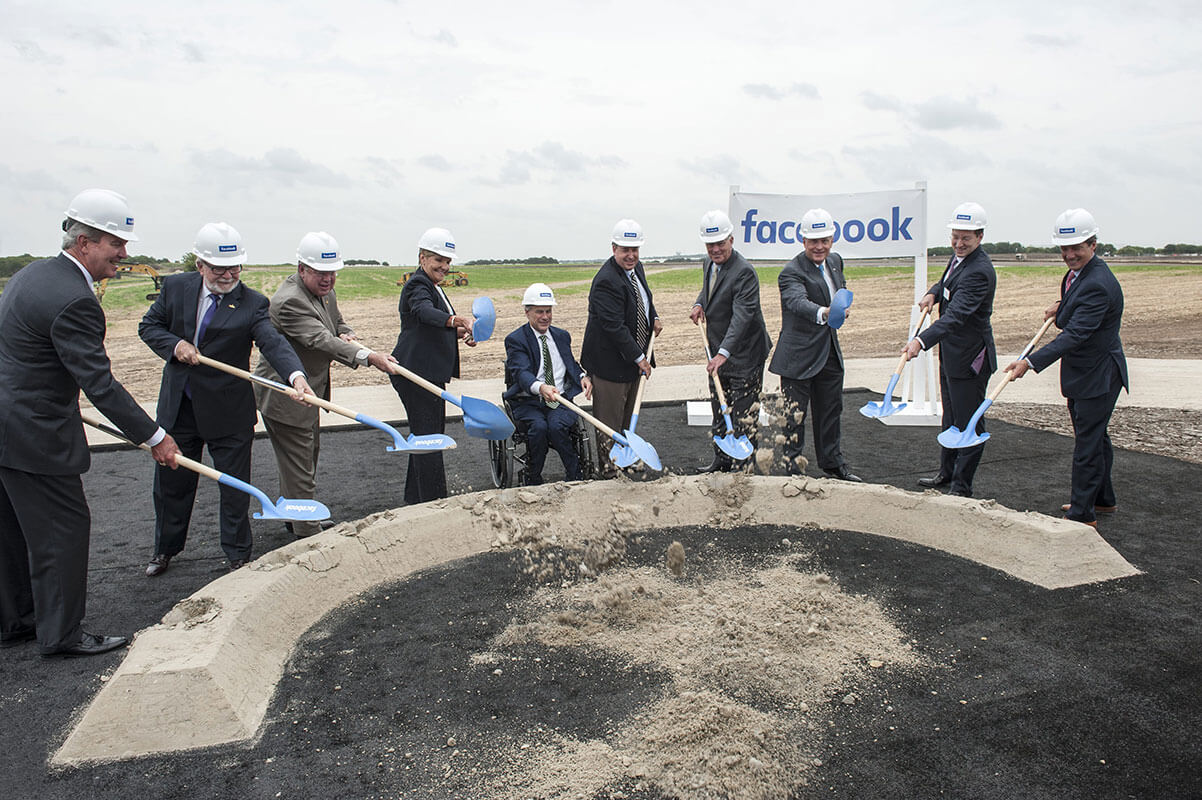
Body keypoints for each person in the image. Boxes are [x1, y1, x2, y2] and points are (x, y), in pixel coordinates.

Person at [0, 189, 181, 657]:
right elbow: (101, 386)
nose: (124, 254)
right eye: (115, 244)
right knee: (62, 531)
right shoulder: (76, 299)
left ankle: (19, 620)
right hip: (35, 437)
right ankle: (60, 635)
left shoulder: (30, 275)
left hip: (8, 427)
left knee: (15, 531)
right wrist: (155, 437)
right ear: (84, 243)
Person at [139, 222, 311, 574]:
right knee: (172, 484)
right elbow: (149, 327)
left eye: (235, 267)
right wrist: (175, 345)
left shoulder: (252, 303)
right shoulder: (174, 288)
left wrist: (296, 377)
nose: (229, 274)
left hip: (228, 412)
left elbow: (273, 343)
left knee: (233, 487)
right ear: (200, 265)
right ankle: (165, 550)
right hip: (179, 409)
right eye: (219, 268)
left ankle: (237, 556)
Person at [254, 232, 396, 537]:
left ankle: (295, 515)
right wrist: (369, 357)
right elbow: (320, 339)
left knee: (303, 456)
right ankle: (307, 530)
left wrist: (348, 332)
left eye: (333, 272)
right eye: (321, 272)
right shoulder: (289, 301)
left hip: (310, 389)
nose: (328, 279)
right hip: (286, 393)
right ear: (302, 268)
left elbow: (336, 325)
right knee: (300, 459)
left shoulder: (324, 291)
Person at [1005, 209, 1127, 528]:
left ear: (1093, 245)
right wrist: (1061, 308)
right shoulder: (1079, 275)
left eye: (1077, 248)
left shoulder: (1098, 283)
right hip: (1087, 372)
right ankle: (1103, 499)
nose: (1070, 254)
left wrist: (1030, 362)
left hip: (1098, 374)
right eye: (1065, 248)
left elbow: (1076, 334)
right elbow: (1074, 310)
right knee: (1095, 438)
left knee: (1087, 444)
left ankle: (1082, 514)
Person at [905, 202, 997, 497]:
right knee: (950, 417)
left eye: (965, 238)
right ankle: (946, 473)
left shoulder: (979, 271)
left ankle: (961, 486)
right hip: (952, 354)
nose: (958, 243)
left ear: (979, 237)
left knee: (968, 422)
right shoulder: (959, 260)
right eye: (955, 237)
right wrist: (933, 292)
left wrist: (921, 341)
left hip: (971, 358)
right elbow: (946, 283)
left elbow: (956, 316)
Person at [767, 208, 861, 482]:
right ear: (803, 240)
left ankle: (833, 465)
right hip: (799, 356)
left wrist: (840, 310)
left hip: (829, 351)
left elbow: (839, 293)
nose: (819, 246)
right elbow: (797, 302)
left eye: (824, 240)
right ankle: (792, 469)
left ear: (832, 238)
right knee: (794, 417)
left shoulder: (835, 261)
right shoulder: (790, 272)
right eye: (813, 241)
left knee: (831, 411)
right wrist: (825, 313)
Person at [389, 227, 476, 504]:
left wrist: (459, 333)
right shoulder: (418, 285)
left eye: (448, 261)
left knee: (425, 437)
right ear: (422, 257)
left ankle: (415, 499)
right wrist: (455, 321)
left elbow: (430, 326)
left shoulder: (433, 286)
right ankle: (435, 502)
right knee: (430, 440)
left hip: (427, 372)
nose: (445, 266)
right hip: (415, 373)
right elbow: (424, 313)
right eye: (439, 260)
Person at [690, 210, 772, 473]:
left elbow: (742, 317)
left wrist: (723, 353)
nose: (715, 249)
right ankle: (721, 461)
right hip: (719, 351)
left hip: (745, 353)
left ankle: (745, 466)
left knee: (743, 415)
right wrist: (699, 303)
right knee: (720, 406)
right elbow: (710, 289)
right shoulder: (708, 263)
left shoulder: (744, 272)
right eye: (710, 244)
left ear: (731, 240)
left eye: (720, 243)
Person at [580, 219, 661, 476]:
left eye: (635, 249)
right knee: (610, 423)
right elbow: (614, 328)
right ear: (614, 248)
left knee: (629, 418)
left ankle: (624, 460)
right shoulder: (606, 281)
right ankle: (608, 470)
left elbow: (643, 299)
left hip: (633, 359)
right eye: (625, 249)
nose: (631, 255)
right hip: (610, 363)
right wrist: (640, 358)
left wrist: (654, 318)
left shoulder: (637, 269)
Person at [502, 283, 591, 484]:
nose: (545, 317)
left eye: (548, 311)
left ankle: (575, 475)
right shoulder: (516, 340)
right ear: (527, 312)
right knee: (540, 428)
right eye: (539, 312)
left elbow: (571, 365)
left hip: (560, 400)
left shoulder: (561, 336)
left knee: (557, 426)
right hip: (528, 401)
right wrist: (540, 387)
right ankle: (533, 477)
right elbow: (521, 373)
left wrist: (582, 377)